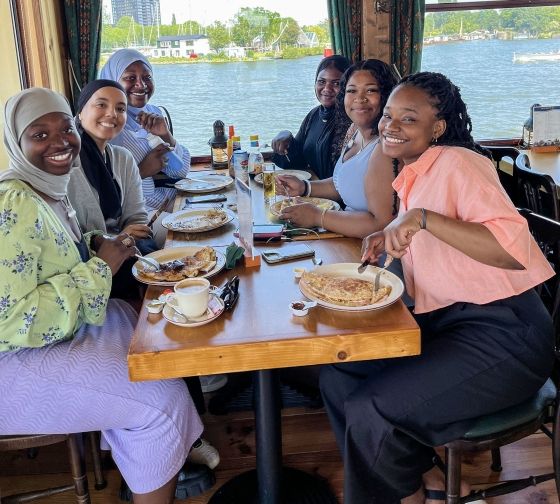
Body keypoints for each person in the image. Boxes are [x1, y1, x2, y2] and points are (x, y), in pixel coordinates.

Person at [320, 72, 555, 504]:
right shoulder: (413, 172)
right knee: (340, 370)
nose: (390, 125)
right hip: (450, 326)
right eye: (389, 115)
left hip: (506, 338)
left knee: (372, 407)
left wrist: (422, 218)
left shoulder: (459, 163)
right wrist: (389, 236)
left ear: (438, 127)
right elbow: (434, 251)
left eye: (408, 119)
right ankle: (414, 479)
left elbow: (511, 249)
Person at [0, 87, 210, 503]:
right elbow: (15, 318)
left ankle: (143, 463)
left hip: (61, 333)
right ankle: (153, 461)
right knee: (159, 400)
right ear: (15, 141)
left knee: (152, 335)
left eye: (63, 130)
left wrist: (96, 242)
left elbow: (57, 249)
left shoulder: (47, 189)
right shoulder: (14, 202)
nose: (60, 142)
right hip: (15, 360)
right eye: (39, 135)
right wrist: (102, 266)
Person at [276, 59, 398, 239]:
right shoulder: (354, 130)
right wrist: (304, 187)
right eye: (351, 90)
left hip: (370, 250)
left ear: (387, 96)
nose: (359, 98)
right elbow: (342, 182)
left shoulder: (385, 148)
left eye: (371, 90)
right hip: (344, 236)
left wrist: (318, 216)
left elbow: (381, 224)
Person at [67, 79, 156, 300]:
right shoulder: (67, 165)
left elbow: (137, 217)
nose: (112, 114)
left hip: (126, 246)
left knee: (157, 256)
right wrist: (120, 236)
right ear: (80, 112)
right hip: (92, 261)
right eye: (101, 105)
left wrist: (125, 237)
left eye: (120, 108)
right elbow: (73, 235)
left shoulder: (122, 158)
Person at [99, 48, 189, 246]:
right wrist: (141, 171)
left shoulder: (152, 113)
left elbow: (180, 171)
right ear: (113, 81)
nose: (141, 85)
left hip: (168, 199)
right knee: (194, 237)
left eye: (147, 77)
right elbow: (104, 195)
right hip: (137, 216)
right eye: (130, 78)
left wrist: (166, 135)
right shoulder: (106, 126)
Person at [271, 55, 352, 180]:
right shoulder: (314, 115)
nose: (327, 89)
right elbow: (297, 163)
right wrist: (287, 139)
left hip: (335, 196)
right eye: (322, 82)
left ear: (349, 86)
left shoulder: (353, 120)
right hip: (311, 191)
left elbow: (345, 177)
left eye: (336, 83)